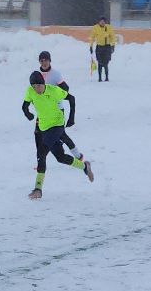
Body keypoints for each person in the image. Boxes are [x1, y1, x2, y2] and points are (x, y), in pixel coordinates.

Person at [23, 70, 93, 200]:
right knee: (60, 158)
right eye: (34, 86)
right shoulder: (30, 91)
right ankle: (85, 166)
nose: (36, 89)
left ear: (43, 83)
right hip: (44, 127)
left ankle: (38, 189)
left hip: (57, 125)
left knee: (41, 153)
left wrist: (71, 118)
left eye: (39, 86)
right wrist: (27, 113)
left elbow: (71, 98)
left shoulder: (54, 90)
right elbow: (24, 105)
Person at [88, 17, 117, 82]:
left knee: (106, 63)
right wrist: (91, 46)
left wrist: (113, 46)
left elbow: (113, 37)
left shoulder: (109, 27)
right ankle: (100, 78)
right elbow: (92, 37)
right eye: (101, 21)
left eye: (103, 21)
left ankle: (107, 77)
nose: (102, 23)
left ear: (105, 22)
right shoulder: (95, 28)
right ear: (99, 22)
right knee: (100, 63)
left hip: (107, 47)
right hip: (99, 47)